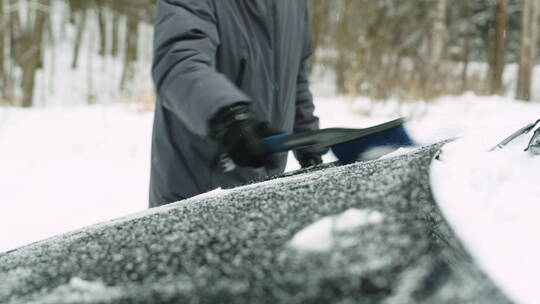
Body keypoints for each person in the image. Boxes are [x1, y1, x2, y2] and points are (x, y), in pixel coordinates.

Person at [150, 0, 327, 207]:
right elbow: (178, 61)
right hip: (196, 190)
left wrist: (309, 147)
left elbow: (295, 78)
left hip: (266, 185)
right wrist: (229, 119)